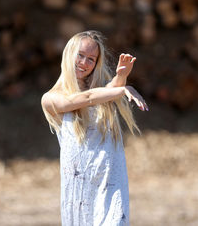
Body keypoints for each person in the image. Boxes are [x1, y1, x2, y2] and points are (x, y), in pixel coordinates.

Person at [41, 30, 148, 225]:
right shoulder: (51, 98)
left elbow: (102, 95)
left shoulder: (101, 93)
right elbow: (86, 99)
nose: (84, 63)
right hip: (81, 186)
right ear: (68, 54)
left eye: (91, 59)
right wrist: (120, 88)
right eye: (80, 55)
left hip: (110, 180)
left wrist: (121, 77)